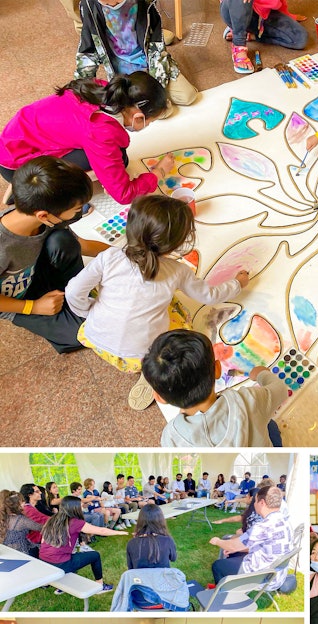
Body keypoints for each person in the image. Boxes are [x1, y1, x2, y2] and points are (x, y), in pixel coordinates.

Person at [65, 193, 248, 409]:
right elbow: (210, 296)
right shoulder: (177, 271)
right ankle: (152, 370)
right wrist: (237, 284)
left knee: (112, 297)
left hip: (97, 340)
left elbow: (73, 291)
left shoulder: (110, 256)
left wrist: (90, 313)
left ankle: (146, 366)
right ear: (176, 244)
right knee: (177, 313)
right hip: (142, 354)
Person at [0, 74, 174, 206]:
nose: (148, 126)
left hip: (15, 141)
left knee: (119, 156)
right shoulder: (100, 132)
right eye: (150, 122)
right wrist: (158, 173)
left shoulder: (104, 89)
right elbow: (123, 195)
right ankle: (32, 192)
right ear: (138, 118)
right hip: (17, 164)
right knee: (119, 158)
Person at [0, 157, 105, 354]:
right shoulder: (3, 246)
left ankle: (71, 293)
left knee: (63, 240)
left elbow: (81, 244)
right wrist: (33, 307)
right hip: (18, 299)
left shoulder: (45, 217)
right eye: (74, 210)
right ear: (43, 215)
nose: (77, 213)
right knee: (89, 332)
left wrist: (126, 254)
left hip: (35, 270)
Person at [75, 0, 198, 107]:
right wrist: (82, 89)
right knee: (163, 112)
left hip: (151, 62)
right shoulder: (89, 6)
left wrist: (157, 83)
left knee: (188, 96)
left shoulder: (146, 3)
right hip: (122, 71)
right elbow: (88, 50)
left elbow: (157, 47)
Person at [209, 484, 294, 591]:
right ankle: (231, 585)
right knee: (234, 553)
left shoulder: (263, 526)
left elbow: (232, 546)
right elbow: (255, 545)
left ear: (262, 503)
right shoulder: (284, 520)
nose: (254, 504)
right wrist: (234, 549)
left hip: (262, 577)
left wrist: (217, 541)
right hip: (276, 574)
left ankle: (224, 594)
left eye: (255, 501)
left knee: (217, 566)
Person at [39, 495, 125, 590]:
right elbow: (102, 531)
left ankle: (62, 586)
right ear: (74, 508)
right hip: (60, 562)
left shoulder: (52, 519)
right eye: (80, 505)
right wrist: (120, 532)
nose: (82, 507)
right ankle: (100, 586)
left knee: (75, 555)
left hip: (44, 559)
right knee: (95, 555)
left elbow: (43, 540)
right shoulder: (74, 522)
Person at [220, 0, 307, 74]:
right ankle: (238, 40)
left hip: (262, 16)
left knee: (300, 39)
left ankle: (251, 35)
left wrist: (288, 18)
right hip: (235, 9)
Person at [126, 503, 177, 568]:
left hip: (140, 578)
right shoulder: (167, 540)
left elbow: (130, 566)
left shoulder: (132, 543)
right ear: (160, 520)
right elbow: (173, 558)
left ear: (140, 520)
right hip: (162, 577)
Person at [0, 490, 41, 555]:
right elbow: (42, 527)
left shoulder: (4, 518)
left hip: (6, 552)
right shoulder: (21, 520)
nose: (24, 503)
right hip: (22, 552)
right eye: (22, 501)